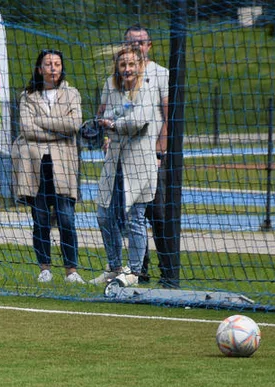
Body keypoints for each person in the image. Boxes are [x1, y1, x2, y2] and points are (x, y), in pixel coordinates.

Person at [92, 45, 162, 285]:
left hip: (140, 162)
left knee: (136, 217)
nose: (127, 69)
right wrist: (103, 129)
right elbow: (104, 114)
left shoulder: (148, 88)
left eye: (132, 64)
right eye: (123, 65)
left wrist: (112, 125)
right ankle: (114, 266)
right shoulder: (110, 87)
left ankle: (134, 271)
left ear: (139, 65)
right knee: (104, 214)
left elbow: (138, 121)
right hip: (115, 159)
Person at [12, 49, 83, 283]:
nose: (53, 68)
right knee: (40, 219)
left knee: (66, 218)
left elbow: (74, 125)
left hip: (63, 164)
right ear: (39, 68)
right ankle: (45, 268)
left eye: (57, 63)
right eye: (48, 64)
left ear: (62, 67)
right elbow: (26, 129)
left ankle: (71, 270)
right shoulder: (28, 96)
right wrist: (57, 130)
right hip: (37, 165)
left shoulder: (72, 94)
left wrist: (43, 124)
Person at [121, 25, 173, 286]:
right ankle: (138, 271)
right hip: (128, 157)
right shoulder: (121, 74)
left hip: (152, 156)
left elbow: (167, 115)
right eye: (131, 42)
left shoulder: (160, 74)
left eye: (141, 42)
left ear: (149, 45)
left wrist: (159, 152)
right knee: (133, 216)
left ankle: (168, 274)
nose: (136, 46)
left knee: (159, 215)